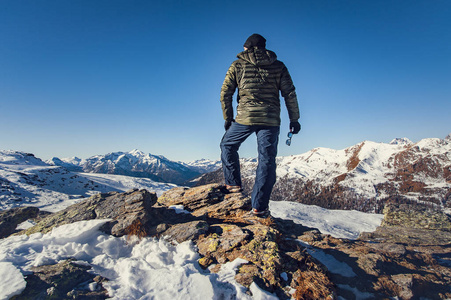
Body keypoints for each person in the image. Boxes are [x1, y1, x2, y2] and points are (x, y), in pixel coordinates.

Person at [220, 33, 301, 218]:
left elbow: (226, 92)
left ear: (247, 47)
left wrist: (228, 117)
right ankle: (259, 208)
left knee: (228, 145)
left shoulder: (237, 65)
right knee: (266, 160)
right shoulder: (279, 66)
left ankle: (233, 185)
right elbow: (290, 93)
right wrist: (294, 119)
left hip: (244, 118)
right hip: (270, 119)